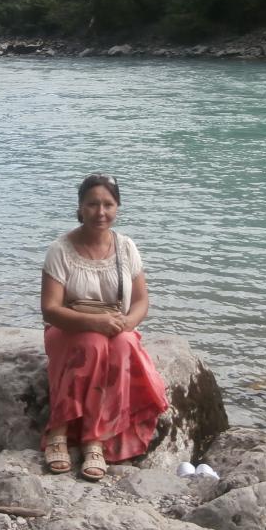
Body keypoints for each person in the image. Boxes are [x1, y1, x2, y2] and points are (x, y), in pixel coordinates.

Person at [40, 173, 168, 481]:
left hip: (113, 325)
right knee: (92, 344)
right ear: (80, 207)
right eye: (92, 204)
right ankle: (59, 430)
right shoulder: (61, 250)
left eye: (108, 205)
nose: (100, 212)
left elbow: (141, 301)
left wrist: (128, 324)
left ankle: (94, 438)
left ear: (117, 207)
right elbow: (50, 309)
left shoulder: (126, 248)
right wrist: (94, 322)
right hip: (69, 327)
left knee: (124, 344)